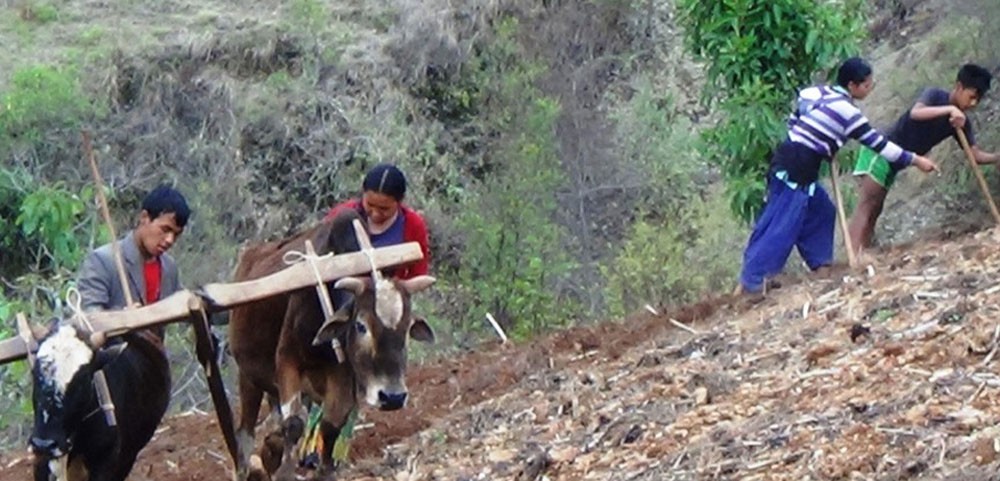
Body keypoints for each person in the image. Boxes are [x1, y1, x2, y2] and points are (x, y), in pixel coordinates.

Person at [737, 57, 938, 297]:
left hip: (798, 163)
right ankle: (754, 282)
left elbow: (794, 119)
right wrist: (916, 160)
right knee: (781, 224)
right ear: (852, 86)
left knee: (822, 211)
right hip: (794, 168)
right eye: (866, 84)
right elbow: (880, 145)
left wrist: (822, 142)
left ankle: (821, 265)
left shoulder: (814, 94)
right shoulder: (848, 113)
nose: (870, 88)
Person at [848, 64, 997, 254]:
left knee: (876, 207)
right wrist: (948, 110)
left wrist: (995, 158)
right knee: (867, 203)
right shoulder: (934, 96)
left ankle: (864, 252)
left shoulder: (960, 122)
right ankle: (854, 255)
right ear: (959, 87)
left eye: (978, 99)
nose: (973, 103)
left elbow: (974, 155)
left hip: (897, 161)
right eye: (971, 96)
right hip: (881, 148)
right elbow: (916, 113)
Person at [77, 185, 191, 338]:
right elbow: (86, 319)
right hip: (110, 358)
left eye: (176, 234)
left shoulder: (169, 269)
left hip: (153, 360)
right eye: (165, 230)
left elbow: (186, 304)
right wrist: (122, 318)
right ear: (144, 218)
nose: (170, 240)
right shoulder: (103, 260)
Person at [324, 163, 430, 279]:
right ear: (363, 194)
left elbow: (418, 273)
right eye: (370, 205)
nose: (375, 214)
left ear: (399, 201)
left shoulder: (412, 224)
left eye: (384, 209)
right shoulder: (341, 215)